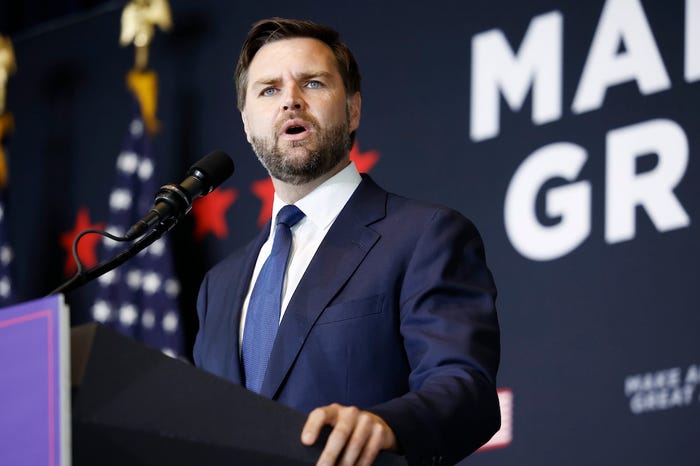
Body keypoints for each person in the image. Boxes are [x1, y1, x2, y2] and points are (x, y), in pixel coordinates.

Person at [193, 17, 501, 466]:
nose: (291, 102)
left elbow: (465, 388)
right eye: (269, 90)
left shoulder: (423, 236)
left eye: (313, 83)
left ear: (353, 110)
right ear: (246, 124)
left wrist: (388, 426)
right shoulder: (217, 288)